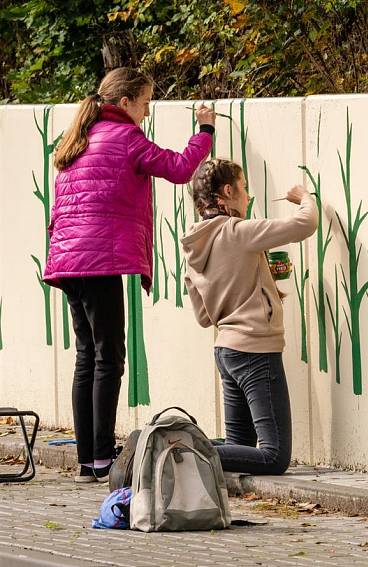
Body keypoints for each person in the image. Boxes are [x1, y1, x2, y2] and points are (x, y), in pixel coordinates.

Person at [44, 67, 215, 483]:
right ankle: (102, 454)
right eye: (144, 102)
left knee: (87, 357)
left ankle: (88, 458)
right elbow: (178, 168)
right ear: (124, 103)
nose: (147, 111)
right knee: (110, 358)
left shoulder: (78, 138)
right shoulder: (125, 138)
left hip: (68, 262)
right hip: (99, 261)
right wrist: (205, 131)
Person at [181, 158, 317, 475]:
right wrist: (305, 198)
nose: (247, 197)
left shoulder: (192, 244)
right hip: (256, 349)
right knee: (273, 456)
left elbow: (203, 316)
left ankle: (178, 445)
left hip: (225, 350)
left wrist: (256, 279)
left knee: (237, 444)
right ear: (227, 191)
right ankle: (182, 449)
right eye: (243, 189)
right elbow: (305, 225)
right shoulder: (237, 231)